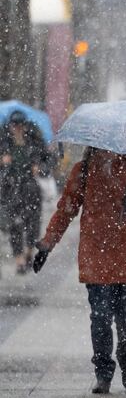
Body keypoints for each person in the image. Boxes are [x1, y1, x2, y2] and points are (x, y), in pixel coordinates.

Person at [32, 147, 126, 394]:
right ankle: (103, 372)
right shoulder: (84, 170)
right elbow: (66, 210)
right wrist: (48, 243)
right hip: (96, 256)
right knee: (100, 317)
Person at [0, 111, 52, 275]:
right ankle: (19, 260)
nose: (17, 128)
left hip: (30, 188)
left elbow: (49, 161)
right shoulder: (4, 142)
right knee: (14, 225)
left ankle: (29, 252)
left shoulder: (34, 140)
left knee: (32, 223)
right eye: (14, 125)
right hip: (9, 188)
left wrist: (40, 168)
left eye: (20, 125)